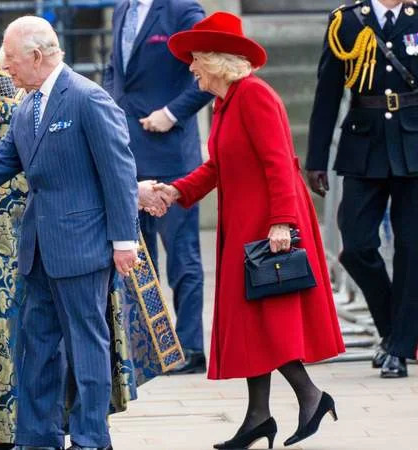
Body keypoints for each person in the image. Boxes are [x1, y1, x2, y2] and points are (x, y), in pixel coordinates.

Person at [0, 52, 185, 450]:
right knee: (39, 349)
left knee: (86, 347)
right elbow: (1, 163)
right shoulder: (26, 105)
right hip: (37, 251)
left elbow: (115, 169)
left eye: (11, 57)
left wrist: (124, 242)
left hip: (82, 248)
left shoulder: (87, 97)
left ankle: (90, 439)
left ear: (36, 55)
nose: (5, 65)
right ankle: (38, 439)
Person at [142, 12, 346, 448]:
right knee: (252, 320)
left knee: (268, 320)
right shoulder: (225, 103)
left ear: (215, 60)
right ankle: (258, 417)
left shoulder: (254, 95)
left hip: (269, 222)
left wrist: (283, 224)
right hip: (246, 223)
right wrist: (176, 191)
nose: (190, 67)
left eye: (196, 59)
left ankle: (310, 396)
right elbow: (216, 167)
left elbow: (278, 162)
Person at [307, 0, 418, 378]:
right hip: (364, 145)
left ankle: (399, 349)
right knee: (354, 245)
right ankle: (395, 331)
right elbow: (328, 90)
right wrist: (316, 158)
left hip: (414, 144)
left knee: (411, 247)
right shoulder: (347, 20)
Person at [104, 0, 213, 374]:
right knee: (136, 257)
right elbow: (115, 69)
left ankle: (191, 347)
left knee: (181, 256)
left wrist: (172, 112)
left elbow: (214, 70)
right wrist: (109, 108)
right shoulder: (122, 9)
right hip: (129, 157)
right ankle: (149, 348)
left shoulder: (183, 11)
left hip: (171, 158)